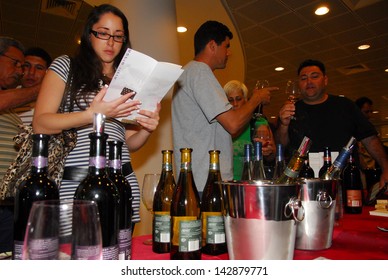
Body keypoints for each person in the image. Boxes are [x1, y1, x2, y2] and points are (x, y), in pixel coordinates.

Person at [33, 4, 161, 232]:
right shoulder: (67, 66)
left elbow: (128, 143)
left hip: (122, 183)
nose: (111, 42)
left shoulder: (129, 82)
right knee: (77, 260)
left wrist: (146, 129)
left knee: (119, 257)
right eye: (103, 33)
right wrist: (92, 114)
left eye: (118, 36)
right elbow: (41, 123)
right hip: (77, 185)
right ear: (88, 34)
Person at [172, 20, 277, 192]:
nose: (228, 53)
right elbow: (233, 124)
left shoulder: (189, 73)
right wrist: (255, 99)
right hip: (205, 180)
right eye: (226, 46)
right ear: (212, 45)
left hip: (196, 179)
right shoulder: (199, 72)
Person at [276, 59, 388, 189]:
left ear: (325, 80)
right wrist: (283, 125)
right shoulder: (291, 110)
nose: (309, 82)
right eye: (303, 78)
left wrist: (386, 168)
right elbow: (280, 146)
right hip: (303, 182)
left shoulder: (345, 105)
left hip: (345, 180)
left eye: (315, 76)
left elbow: (370, 139)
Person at [0, 37, 25, 256]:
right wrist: (46, 87)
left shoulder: (12, 113)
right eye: (15, 62)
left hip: (6, 204)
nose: (20, 71)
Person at [224, 80, 276, 180]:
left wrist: (268, 151)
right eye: (230, 100)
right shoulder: (221, 125)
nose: (234, 103)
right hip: (226, 182)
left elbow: (272, 155)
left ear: (245, 100)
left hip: (251, 182)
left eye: (238, 99)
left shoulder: (258, 122)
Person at [14, 47, 52, 124]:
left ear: (47, 72)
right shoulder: (7, 96)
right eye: (27, 66)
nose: (31, 72)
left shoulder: (53, 102)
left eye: (39, 68)